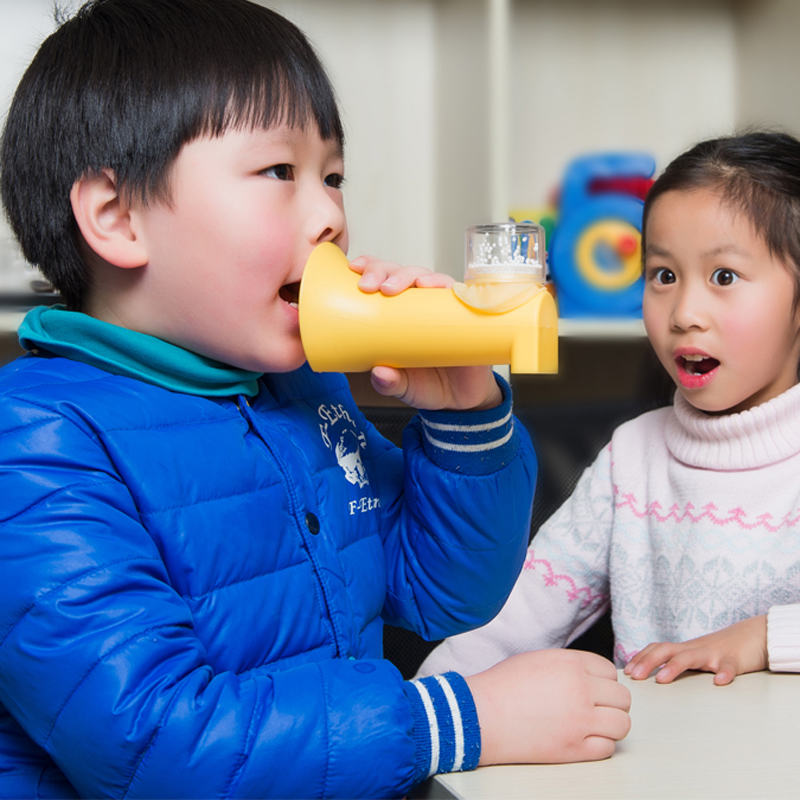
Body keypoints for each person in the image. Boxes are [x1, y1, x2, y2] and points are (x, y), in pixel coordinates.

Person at [0, 1, 630, 797]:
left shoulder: (303, 393)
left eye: (333, 176)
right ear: (118, 218)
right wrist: (458, 720)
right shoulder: (35, 439)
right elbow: (153, 740)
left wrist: (464, 410)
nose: (331, 214)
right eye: (279, 173)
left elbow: (441, 595)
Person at [419, 130, 800, 689]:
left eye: (724, 277)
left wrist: (765, 637)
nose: (684, 313)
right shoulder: (633, 458)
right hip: (653, 772)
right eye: (663, 275)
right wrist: (410, 723)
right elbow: (517, 618)